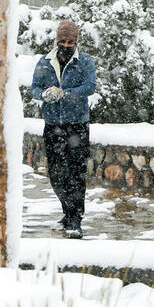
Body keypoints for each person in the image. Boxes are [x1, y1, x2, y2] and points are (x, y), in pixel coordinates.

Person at [30, 21, 96, 238]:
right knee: (57, 174)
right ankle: (67, 212)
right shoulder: (44, 62)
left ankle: (76, 219)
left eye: (70, 41)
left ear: (76, 42)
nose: (66, 45)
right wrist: (44, 94)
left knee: (76, 173)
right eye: (63, 41)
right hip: (53, 125)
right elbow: (34, 88)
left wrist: (65, 93)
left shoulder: (84, 62)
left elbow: (89, 86)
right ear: (57, 41)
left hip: (77, 125)